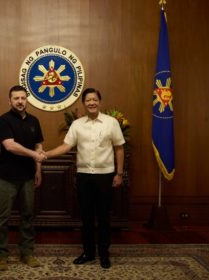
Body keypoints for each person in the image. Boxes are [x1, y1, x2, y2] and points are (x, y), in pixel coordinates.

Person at [44, 88, 125, 269]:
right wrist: (46, 155)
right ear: (83, 103)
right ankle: (88, 253)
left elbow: (119, 148)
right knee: (86, 217)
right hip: (84, 177)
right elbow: (66, 146)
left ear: (99, 101)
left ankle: (104, 254)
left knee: (103, 217)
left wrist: (119, 174)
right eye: (88, 100)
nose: (91, 103)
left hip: (105, 177)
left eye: (95, 99)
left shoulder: (111, 123)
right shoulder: (77, 124)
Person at [0, 85, 45, 271]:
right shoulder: (3, 120)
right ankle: (1, 255)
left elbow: (38, 146)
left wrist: (38, 169)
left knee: (28, 216)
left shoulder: (34, 121)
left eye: (23, 98)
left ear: (27, 99)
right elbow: (10, 146)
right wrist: (33, 155)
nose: (20, 101)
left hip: (28, 178)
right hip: (7, 178)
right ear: (10, 101)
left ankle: (27, 253)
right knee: (3, 217)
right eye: (16, 98)